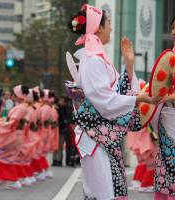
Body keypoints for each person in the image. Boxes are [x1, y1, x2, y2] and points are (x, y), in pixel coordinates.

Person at [66, 4, 158, 200]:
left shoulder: (98, 58)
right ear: (98, 28)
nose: (111, 27)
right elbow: (105, 102)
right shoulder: (92, 60)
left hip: (103, 137)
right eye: (108, 23)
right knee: (103, 194)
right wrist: (138, 98)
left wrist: (129, 64)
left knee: (110, 193)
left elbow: (118, 93)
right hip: (96, 136)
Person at [152, 16, 175, 200]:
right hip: (167, 115)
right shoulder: (169, 57)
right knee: (166, 160)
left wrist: (166, 97)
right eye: (173, 27)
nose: (173, 32)